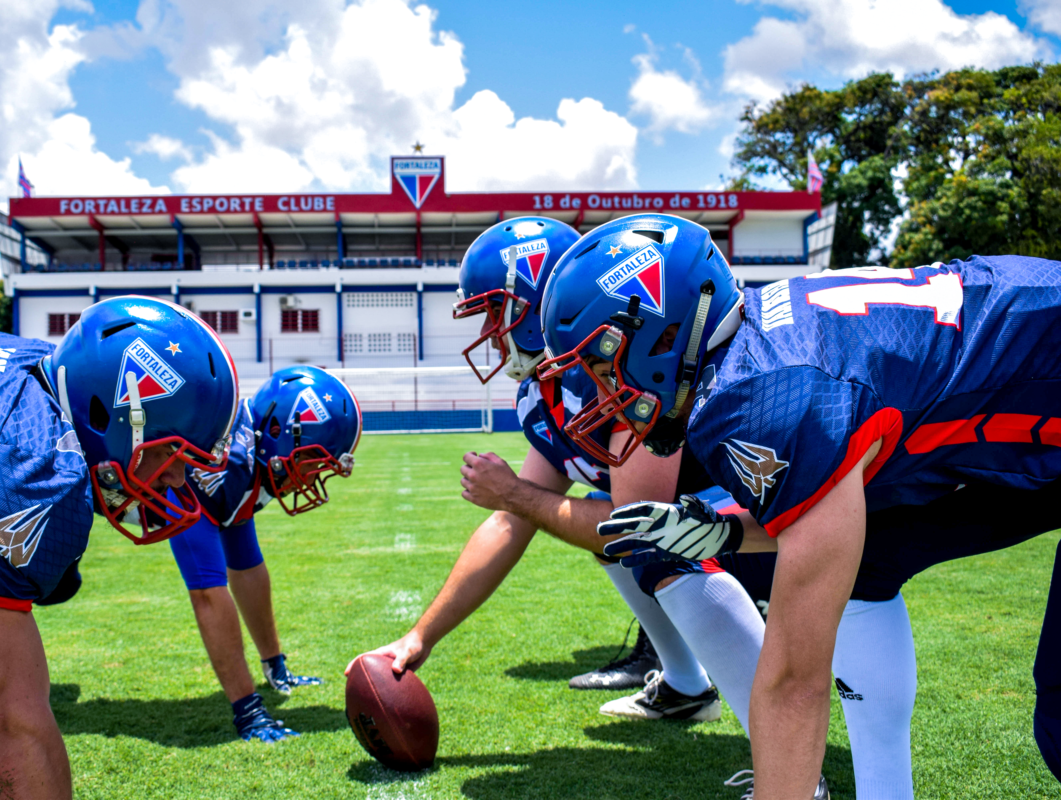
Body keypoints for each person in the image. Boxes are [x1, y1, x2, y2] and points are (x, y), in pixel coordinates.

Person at [538, 212, 1061, 798]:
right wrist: (724, 532)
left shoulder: (759, 398)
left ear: (662, 335)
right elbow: (830, 516)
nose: (601, 396)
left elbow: (794, 683)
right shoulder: (751, 346)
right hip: (1022, 401)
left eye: (604, 367)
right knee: (874, 554)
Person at [349, 216, 767, 725]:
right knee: (611, 532)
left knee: (640, 535)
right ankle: (685, 686)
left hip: (763, 524)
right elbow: (511, 522)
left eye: (495, 312)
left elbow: (633, 520)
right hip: (719, 523)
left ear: (531, 303)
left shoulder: (624, 365)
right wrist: (421, 635)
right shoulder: (547, 391)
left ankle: (784, 756)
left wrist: (513, 493)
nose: (487, 332)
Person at [0, 296, 238, 800]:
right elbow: (16, 732)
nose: (175, 479)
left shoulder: (34, 367)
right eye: (173, 452)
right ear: (112, 412)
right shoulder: (13, 467)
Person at [167, 365, 361, 742]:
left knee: (247, 561)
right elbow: (208, 592)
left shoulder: (251, 458)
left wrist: (275, 665)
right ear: (279, 430)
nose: (310, 477)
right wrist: (249, 711)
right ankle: (247, 710)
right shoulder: (231, 462)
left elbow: (247, 566)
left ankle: (275, 668)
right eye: (311, 463)